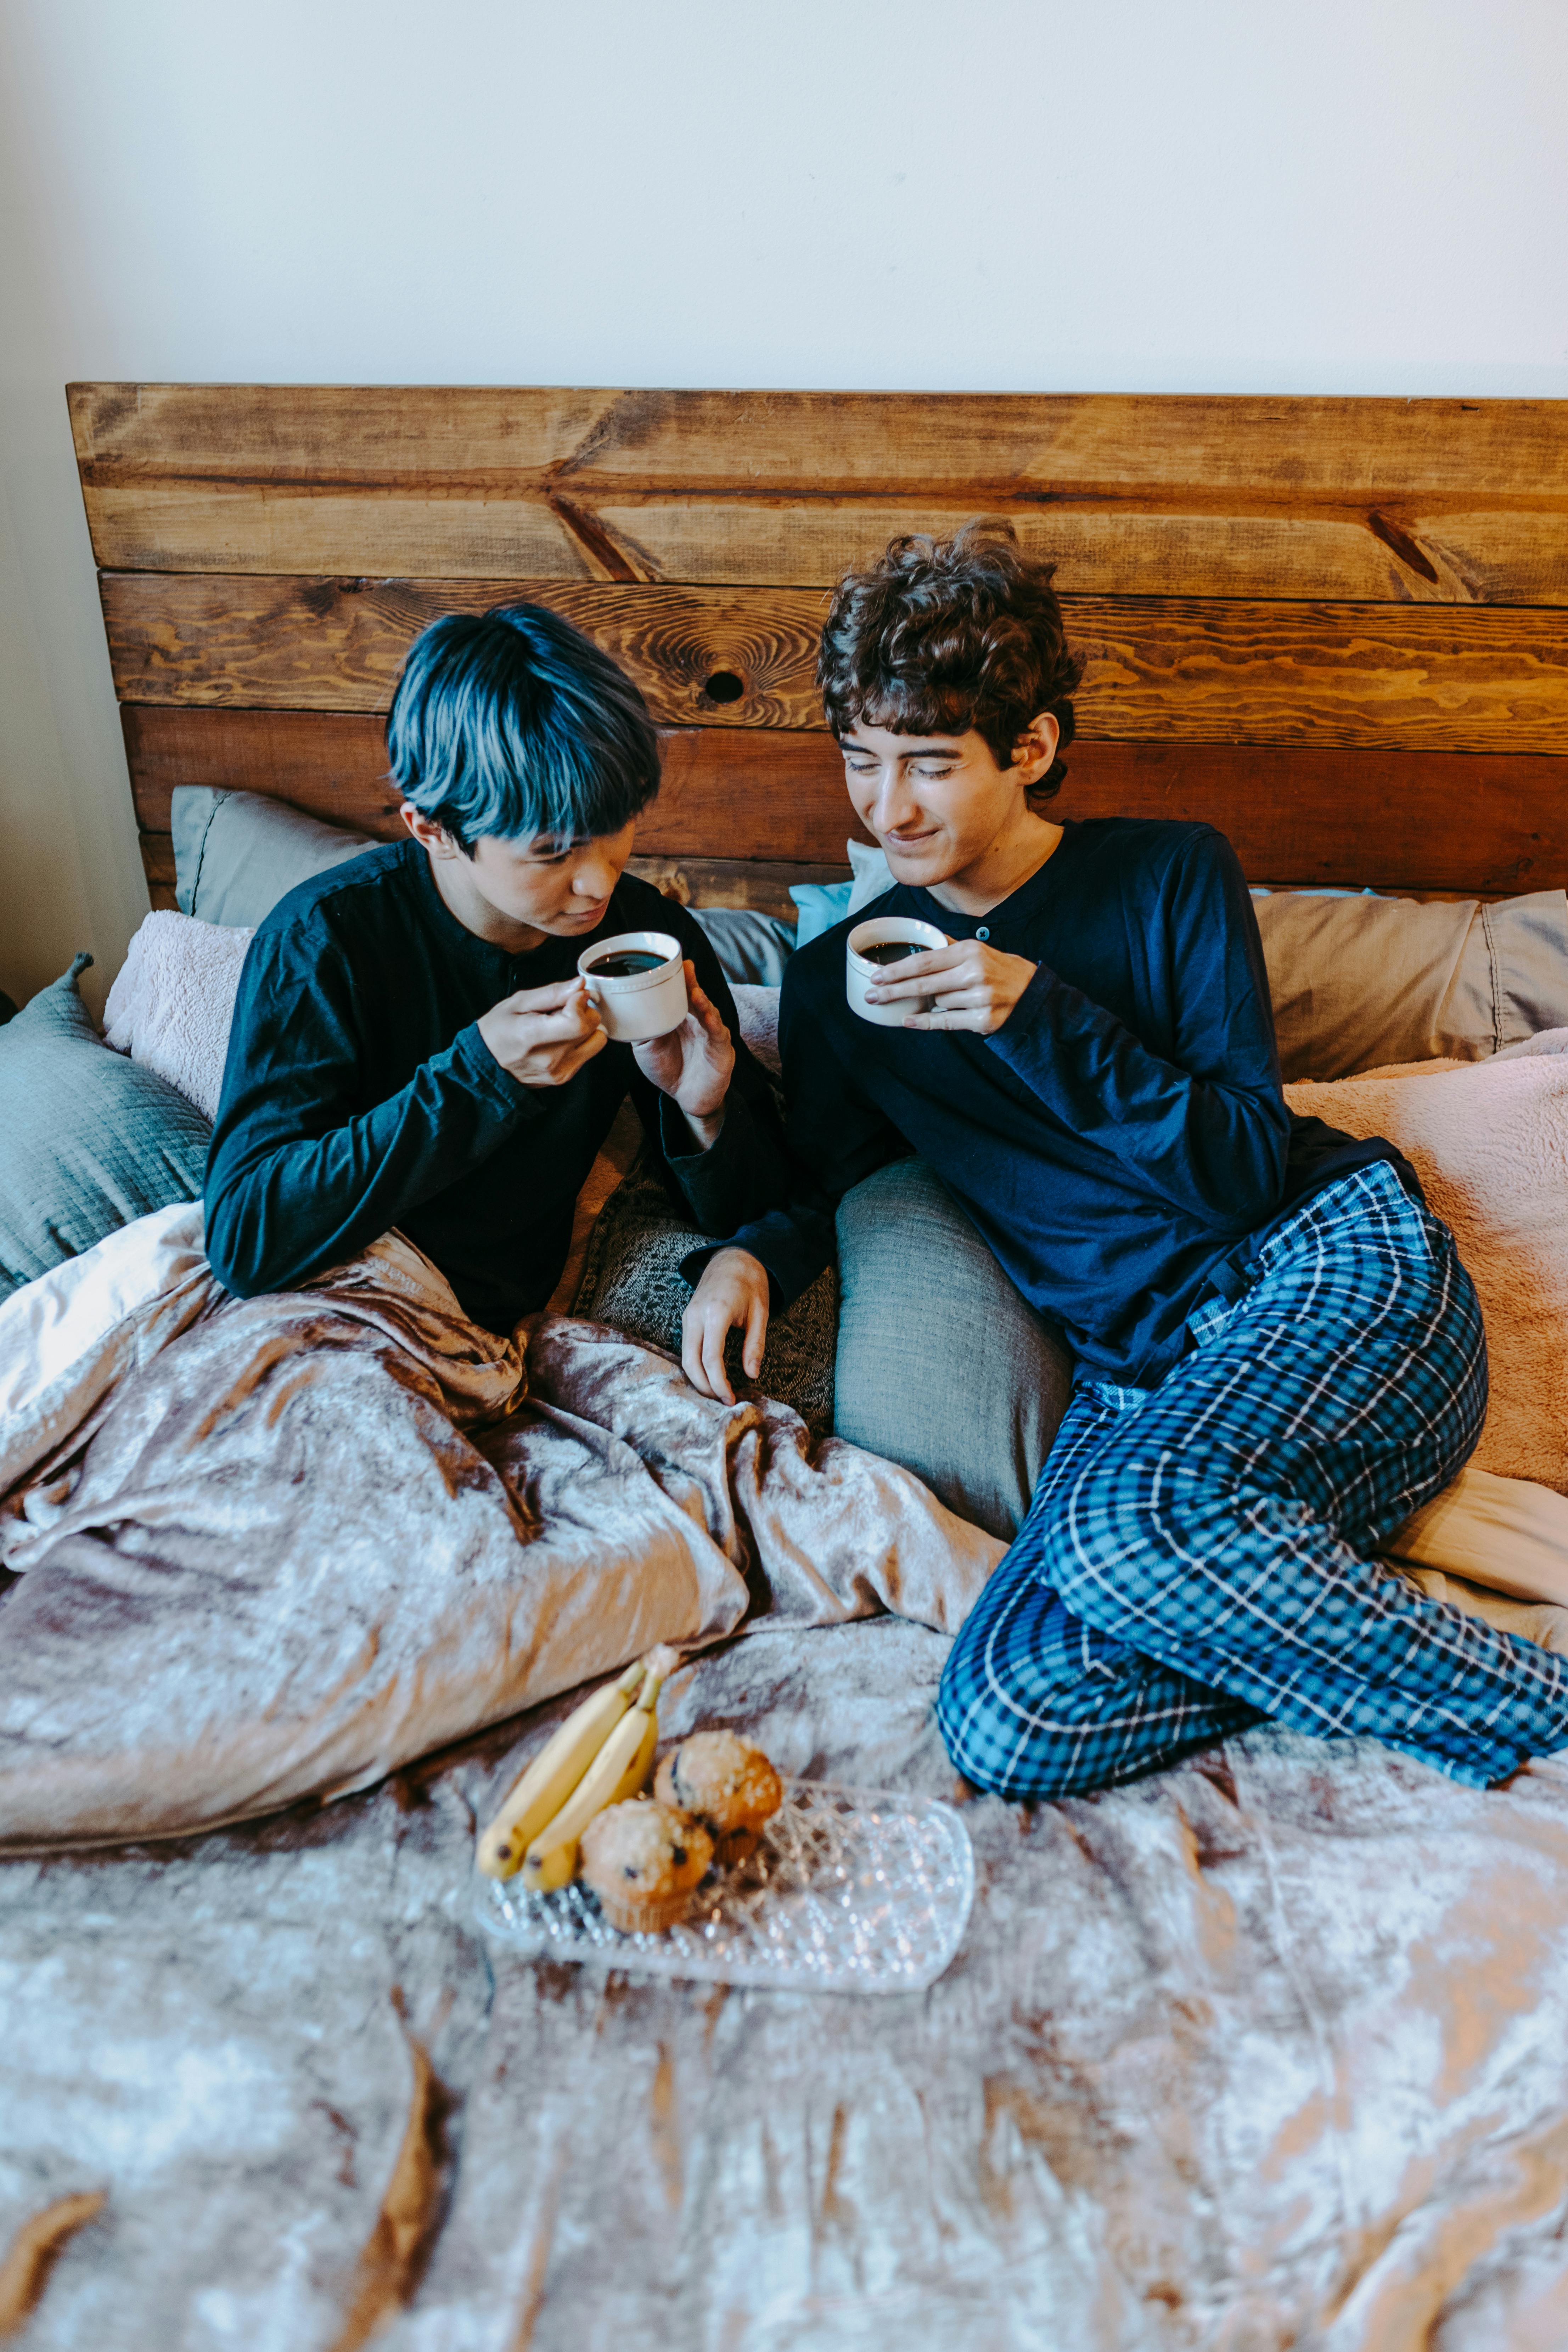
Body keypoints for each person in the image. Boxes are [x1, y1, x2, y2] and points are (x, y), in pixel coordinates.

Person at [680, 521, 1568, 1798]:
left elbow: (1238, 1169)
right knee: (1002, 1715)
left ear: (1030, 747)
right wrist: (732, 1189)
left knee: (1121, 1530)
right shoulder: (834, 983)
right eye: (860, 762)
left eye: (927, 764)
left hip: (1330, 1279)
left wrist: (1033, 1015)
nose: (886, 808)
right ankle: (1272, 1581)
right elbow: (830, 1186)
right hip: (1145, 1384)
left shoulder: (1165, 873)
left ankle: (1518, 1700)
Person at [204, 603, 785, 1332]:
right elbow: (244, 1238)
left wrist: (703, 1113)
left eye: (615, 831)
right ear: (433, 829)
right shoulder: (323, 940)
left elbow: (766, 1208)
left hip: (488, 1337)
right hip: (317, 1310)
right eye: (551, 853)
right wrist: (479, 1074)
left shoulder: (649, 936)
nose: (598, 883)